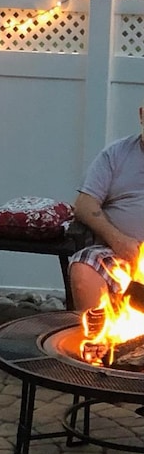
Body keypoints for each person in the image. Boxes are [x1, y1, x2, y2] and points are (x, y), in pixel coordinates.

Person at [69, 104, 144, 311]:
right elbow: (84, 205)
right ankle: (98, 340)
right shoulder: (116, 155)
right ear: (141, 115)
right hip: (118, 253)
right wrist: (118, 240)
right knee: (84, 265)